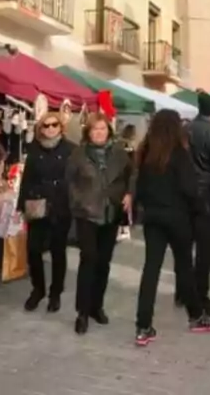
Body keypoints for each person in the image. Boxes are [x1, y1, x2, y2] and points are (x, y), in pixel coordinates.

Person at [132, 109, 210, 346]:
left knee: (150, 270)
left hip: (152, 218)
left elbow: (139, 188)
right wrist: (199, 209)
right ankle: (195, 316)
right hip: (177, 217)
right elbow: (190, 188)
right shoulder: (179, 153)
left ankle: (143, 326)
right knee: (184, 267)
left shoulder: (145, 153)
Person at [66, 112, 132, 334]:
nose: (99, 133)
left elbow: (130, 176)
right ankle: (82, 312)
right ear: (88, 132)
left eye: (102, 129)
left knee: (104, 262)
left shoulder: (119, 153)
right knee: (88, 260)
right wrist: (78, 201)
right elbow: (69, 181)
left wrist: (129, 194)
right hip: (87, 213)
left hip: (111, 212)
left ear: (109, 131)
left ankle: (97, 306)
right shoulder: (79, 154)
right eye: (95, 129)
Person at [174, 91, 210, 315]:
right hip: (207, 197)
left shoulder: (184, 130)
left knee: (184, 247)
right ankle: (200, 296)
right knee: (205, 250)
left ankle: (182, 292)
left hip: (184, 196)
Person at [17, 112, 75, 314]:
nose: (50, 129)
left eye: (54, 125)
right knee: (33, 250)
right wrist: (21, 205)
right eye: (46, 126)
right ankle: (38, 289)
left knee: (58, 251)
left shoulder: (70, 150)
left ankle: (55, 293)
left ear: (61, 127)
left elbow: (75, 179)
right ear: (40, 129)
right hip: (37, 204)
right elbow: (26, 178)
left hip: (60, 206)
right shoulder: (34, 149)